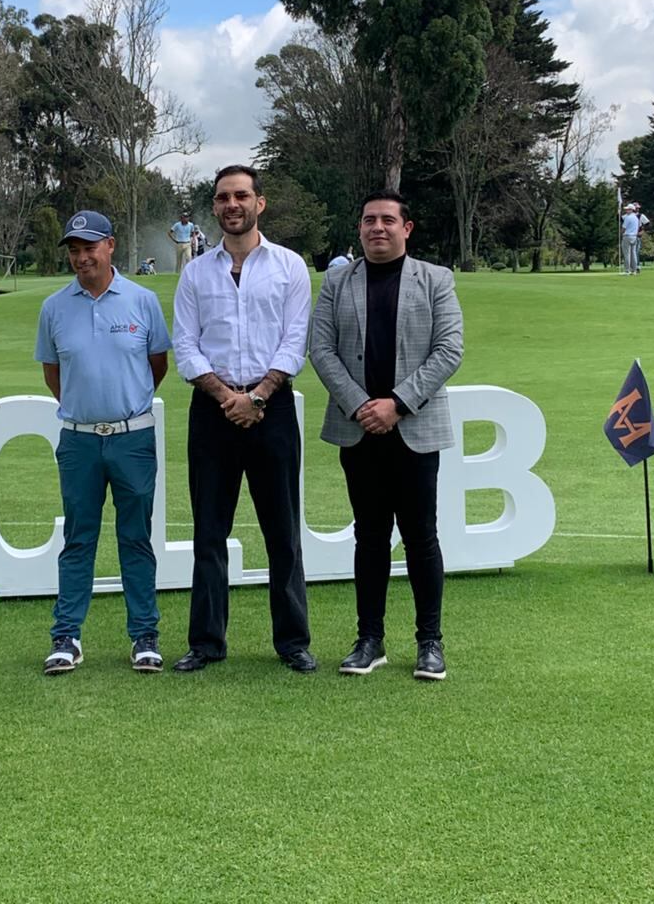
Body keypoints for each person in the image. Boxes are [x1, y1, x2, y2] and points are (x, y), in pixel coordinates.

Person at [309, 189, 463, 681]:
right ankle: (369, 639)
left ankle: (429, 642)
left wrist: (396, 404)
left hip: (413, 428)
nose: (377, 228)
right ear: (359, 228)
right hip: (359, 430)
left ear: (406, 228)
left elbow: (449, 350)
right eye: (369, 220)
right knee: (369, 537)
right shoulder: (337, 281)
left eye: (387, 220)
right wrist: (360, 405)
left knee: (421, 537)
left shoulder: (436, 279)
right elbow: (321, 348)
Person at [171, 164, 316, 674]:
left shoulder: (289, 266)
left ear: (260, 203)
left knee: (283, 530)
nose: (231, 205)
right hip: (212, 413)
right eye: (222, 198)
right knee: (209, 531)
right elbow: (185, 345)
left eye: (241, 196)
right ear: (214, 207)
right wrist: (226, 396)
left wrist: (257, 396)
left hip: (271, 409)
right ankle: (207, 642)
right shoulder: (195, 272)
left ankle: (293, 641)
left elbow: (295, 339)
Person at [35, 210, 172, 676]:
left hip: (132, 439)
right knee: (78, 539)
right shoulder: (54, 307)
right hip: (79, 442)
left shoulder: (142, 300)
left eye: (89, 247)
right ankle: (66, 636)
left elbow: (157, 367)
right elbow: (55, 375)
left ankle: (144, 635)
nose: (81, 257)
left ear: (110, 246)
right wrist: (89, 410)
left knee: (135, 539)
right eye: (73, 249)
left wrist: (121, 407)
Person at [621, 204, 640, 275]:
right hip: (634, 236)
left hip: (627, 236)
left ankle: (627, 270)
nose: (626, 210)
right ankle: (634, 270)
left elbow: (624, 228)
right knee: (633, 253)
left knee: (627, 254)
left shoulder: (628, 218)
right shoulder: (636, 218)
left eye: (628, 209)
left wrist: (621, 233)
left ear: (631, 210)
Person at [633, 205, 650, 273]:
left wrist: (642, 231)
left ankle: (637, 267)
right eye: (636, 208)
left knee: (636, 251)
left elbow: (647, 223)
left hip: (637, 235)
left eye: (638, 208)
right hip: (629, 234)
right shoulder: (628, 215)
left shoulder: (640, 216)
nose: (637, 209)